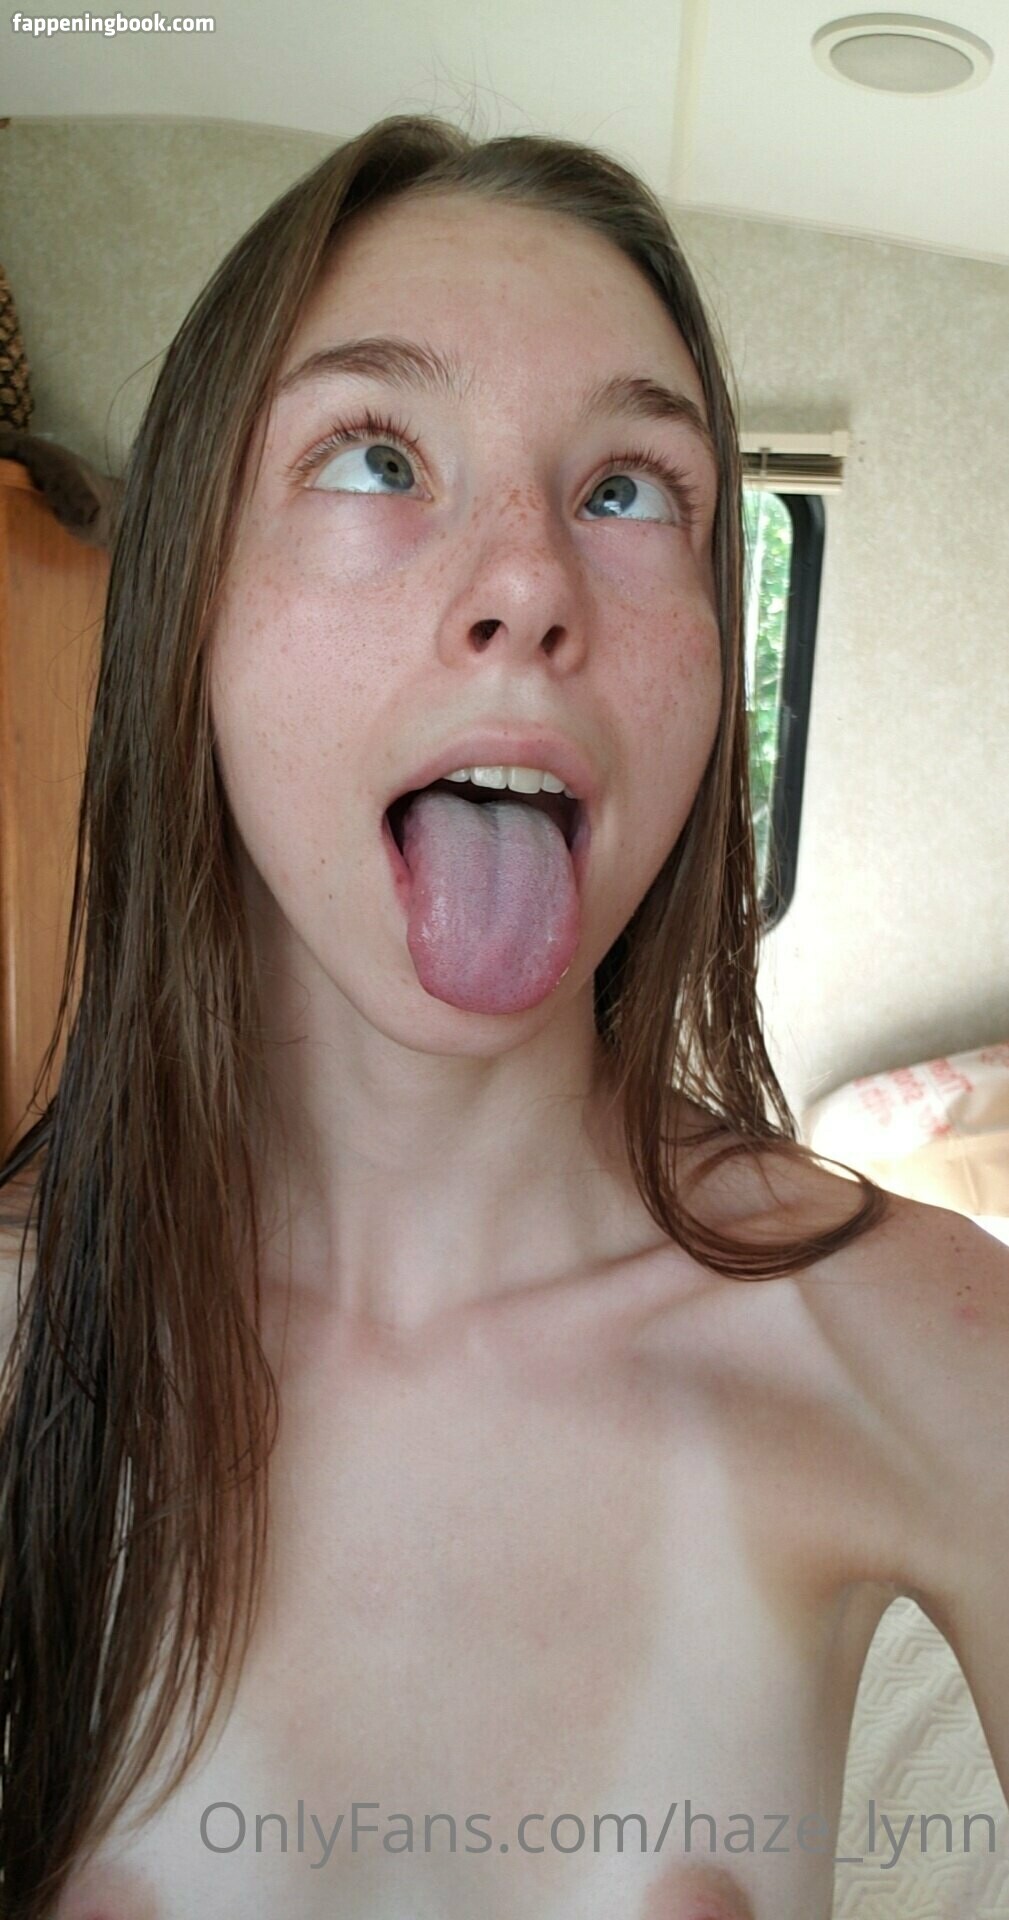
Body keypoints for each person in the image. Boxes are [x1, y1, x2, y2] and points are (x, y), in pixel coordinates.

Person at [0, 112, 1006, 1920]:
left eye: (627, 491)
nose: (531, 581)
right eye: (376, 456)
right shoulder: (20, 1340)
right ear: (189, 606)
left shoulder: (928, 1336)